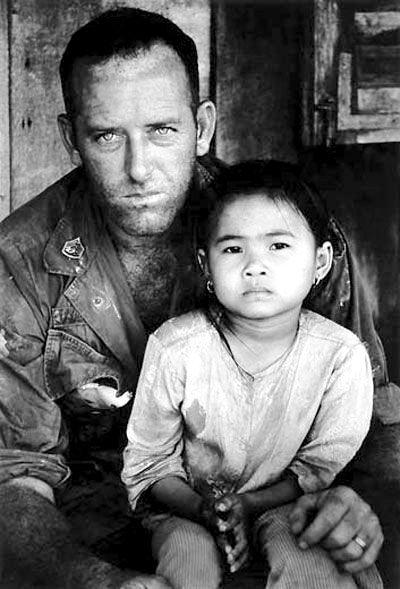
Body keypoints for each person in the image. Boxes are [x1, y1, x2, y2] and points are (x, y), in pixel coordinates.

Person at [0, 6, 388, 589]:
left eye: (162, 130)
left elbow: (376, 413)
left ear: (202, 126)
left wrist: (359, 501)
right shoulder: (21, 260)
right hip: (89, 533)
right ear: (70, 138)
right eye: (107, 136)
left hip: (281, 512)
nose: (138, 169)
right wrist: (96, 582)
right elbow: (16, 475)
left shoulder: (292, 240)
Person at [122, 160, 383, 589]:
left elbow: (319, 467)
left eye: (278, 246)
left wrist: (251, 504)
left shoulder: (339, 357)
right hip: (185, 509)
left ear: (320, 262)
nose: (254, 267)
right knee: (188, 560)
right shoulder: (175, 348)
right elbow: (150, 464)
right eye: (233, 249)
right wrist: (207, 509)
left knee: (307, 562)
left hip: (286, 504)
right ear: (206, 265)